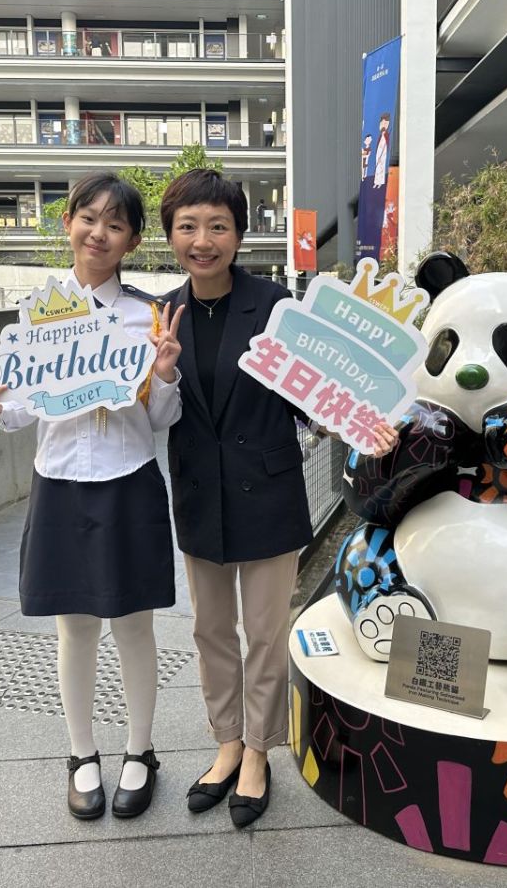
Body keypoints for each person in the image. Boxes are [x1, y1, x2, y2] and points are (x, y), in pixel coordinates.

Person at [159, 169, 395, 828]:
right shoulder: (161, 313)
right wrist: (161, 373)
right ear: (171, 235)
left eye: (217, 226)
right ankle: (226, 743)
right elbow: (157, 409)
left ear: (238, 234)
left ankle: (259, 751)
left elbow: (312, 396)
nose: (203, 240)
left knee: (264, 635)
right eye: (188, 226)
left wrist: (359, 417)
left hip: (266, 490)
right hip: (200, 495)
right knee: (210, 632)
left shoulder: (275, 307)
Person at [0, 172, 185, 821]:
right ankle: (81, 754)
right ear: (68, 223)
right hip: (60, 482)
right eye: (89, 218)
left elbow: (159, 420)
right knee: (76, 628)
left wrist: (165, 375)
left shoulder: (147, 317)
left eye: (115, 224)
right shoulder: (38, 314)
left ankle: (140, 752)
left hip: (129, 479)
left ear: (133, 240)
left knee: (135, 625)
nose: (99, 233)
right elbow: (19, 407)